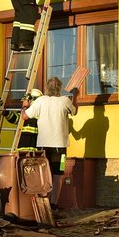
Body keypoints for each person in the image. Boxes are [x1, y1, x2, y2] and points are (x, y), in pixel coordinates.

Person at [24, 76, 75, 207]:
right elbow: (75, 112)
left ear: (47, 87)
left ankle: (43, 202)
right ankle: (54, 204)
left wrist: (25, 106)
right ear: (60, 88)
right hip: (61, 147)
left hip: (42, 147)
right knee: (59, 174)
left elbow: (24, 116)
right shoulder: (65, 101)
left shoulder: (40, 101)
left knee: (43, 173)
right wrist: (76, 97)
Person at [2, 89, 41, 153]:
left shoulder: (37, 114)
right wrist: (6, 112)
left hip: (34, 148)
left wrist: (25, 107)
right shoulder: (24, 113)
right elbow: (15, 118)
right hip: (22, 149)